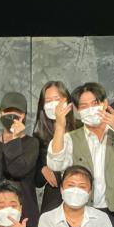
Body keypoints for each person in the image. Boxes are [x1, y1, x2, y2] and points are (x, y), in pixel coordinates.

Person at [47, 82, 114, 217]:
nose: (90, 109)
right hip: (83, 210)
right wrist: (60, 127)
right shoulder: (69, 138)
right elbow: (55, 164)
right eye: (84, 106)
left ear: (105, 103)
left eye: (95, 103)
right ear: (77, 110)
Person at [0, 92, 41, 227]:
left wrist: (14, 139)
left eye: (17, 112)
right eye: (8, 111)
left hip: (25, 216)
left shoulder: (32, 143)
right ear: (0, 113)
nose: (12, 116)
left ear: (23, 115)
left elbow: (17, 170)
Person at [32, 80, 75, 215]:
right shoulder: (38, 137)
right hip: (54, 198)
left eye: (57, 99)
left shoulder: (81, 128)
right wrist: (42, 169)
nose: (53, 104)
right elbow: (37, 181)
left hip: (80, 192)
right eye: (48, 101)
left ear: (67, 101)